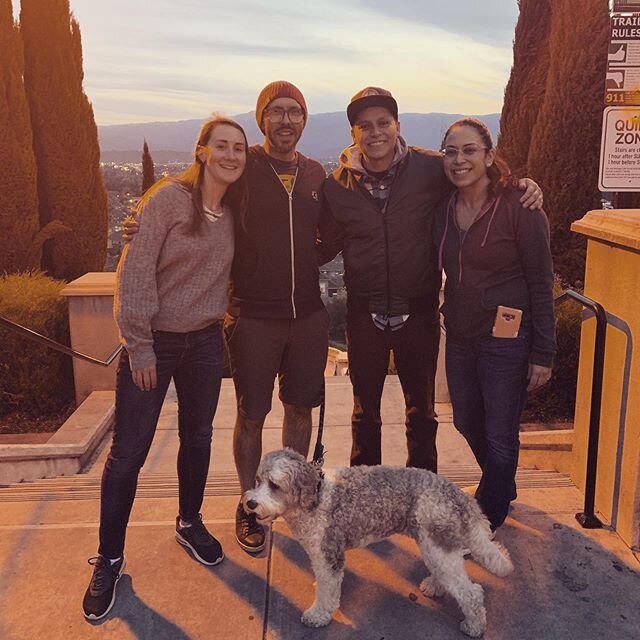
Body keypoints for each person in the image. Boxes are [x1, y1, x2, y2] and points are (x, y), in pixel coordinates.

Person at [318, 87, 543, 473]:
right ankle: (366, 497)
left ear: (397, 126)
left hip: (419, 312)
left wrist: (520, 184)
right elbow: (323, 244)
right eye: (365, 126)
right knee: (364, 414)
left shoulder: (429, 168)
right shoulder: (336, 187)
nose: (375, 133)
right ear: (354, 133)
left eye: (383, 123)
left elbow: (473, 173)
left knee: (421, 414)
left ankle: (423, 495)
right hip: (363, 313)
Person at [82, 115, 248, 621]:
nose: (231, 155)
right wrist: (140, 346)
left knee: (198, 438)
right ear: (201, 152)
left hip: (203, 341)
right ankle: (109, 558)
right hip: (154, 341)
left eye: (239, 148)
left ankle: (189, 520)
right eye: (221, 145)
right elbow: (132, 274)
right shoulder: (166, 201)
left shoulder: (238, 207)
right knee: (129, 451)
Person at [435, 117, 555, 532]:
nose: (459, 159)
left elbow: (542, 282)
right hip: (461, 335)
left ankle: (486, 518)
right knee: (466, 420)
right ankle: (501, 484)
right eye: (450, 151)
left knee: (502, 433)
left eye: (469, 150)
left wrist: (543, 352)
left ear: (489, 156)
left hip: (507, 338)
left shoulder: (519, 207)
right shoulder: (444, 207)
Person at [225, 81, 329, 553]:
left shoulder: (315, 173)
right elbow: (191, 189)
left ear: (305, 120)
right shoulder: (242, 166)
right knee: (252, 414)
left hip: (307, 314)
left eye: (295, 112)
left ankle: (289, 497)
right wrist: (147, 212)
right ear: (261, 118)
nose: (287, 120)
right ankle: (251, 503)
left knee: (300, 408)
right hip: (254, 316)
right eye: (277, 112)